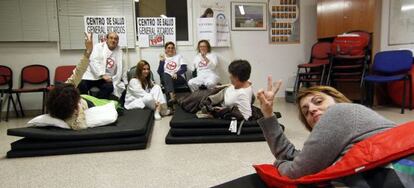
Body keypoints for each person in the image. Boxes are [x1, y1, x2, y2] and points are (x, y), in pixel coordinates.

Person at [215, 76, 413, 187]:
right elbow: (297, 158)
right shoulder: (342, 137)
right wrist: (267, 114)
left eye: (318, 101)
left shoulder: (341, 112)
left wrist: (280, 163)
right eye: (306, 111)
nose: (312, 109)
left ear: (338, 101)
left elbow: (294, 171)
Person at [47, 33, 119, 130]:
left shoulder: (66, 94)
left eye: (115, 38)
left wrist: (88, 52)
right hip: (88, 101)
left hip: (86, 96)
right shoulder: (75, 112)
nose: (113, 40)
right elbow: (80, 125)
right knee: (113, 105)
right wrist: (78, 109)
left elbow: (78, 72)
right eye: (111, 38)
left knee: (106, 89)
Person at [78, 32, 128, 99]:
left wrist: (125, 81)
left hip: (107, 78)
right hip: (93, 76)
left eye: (116, 39)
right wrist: (102, 75)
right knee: (81, 84)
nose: (113, 40)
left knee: (109, 87)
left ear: (117, 41)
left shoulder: (120, 52)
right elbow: (94, 61)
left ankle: (98, 103)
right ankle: (85, 102)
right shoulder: (98, 47)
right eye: (111, 38)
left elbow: (123, 68)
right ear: (106, 39)